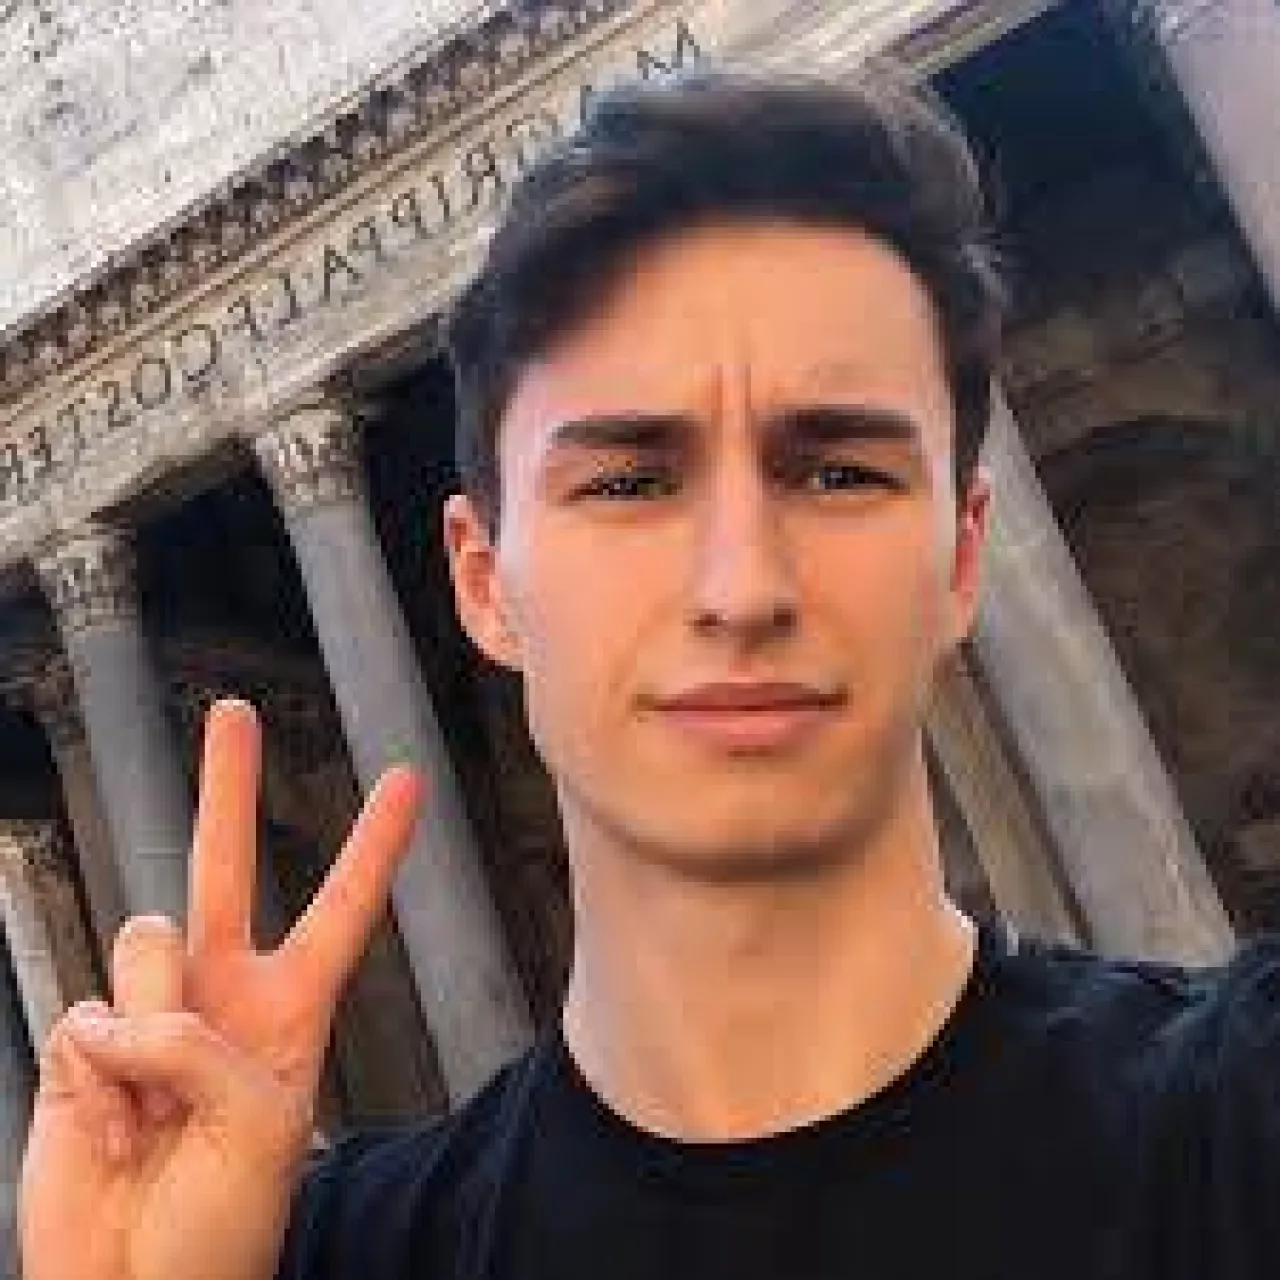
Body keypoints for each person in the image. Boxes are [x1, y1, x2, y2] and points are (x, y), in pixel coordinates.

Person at [18, 65, 1280, 1280]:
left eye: (838, 471)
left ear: (960, 556)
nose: (741, 585)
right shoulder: (302, 1256)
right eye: (628, 482)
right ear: (482, 580)